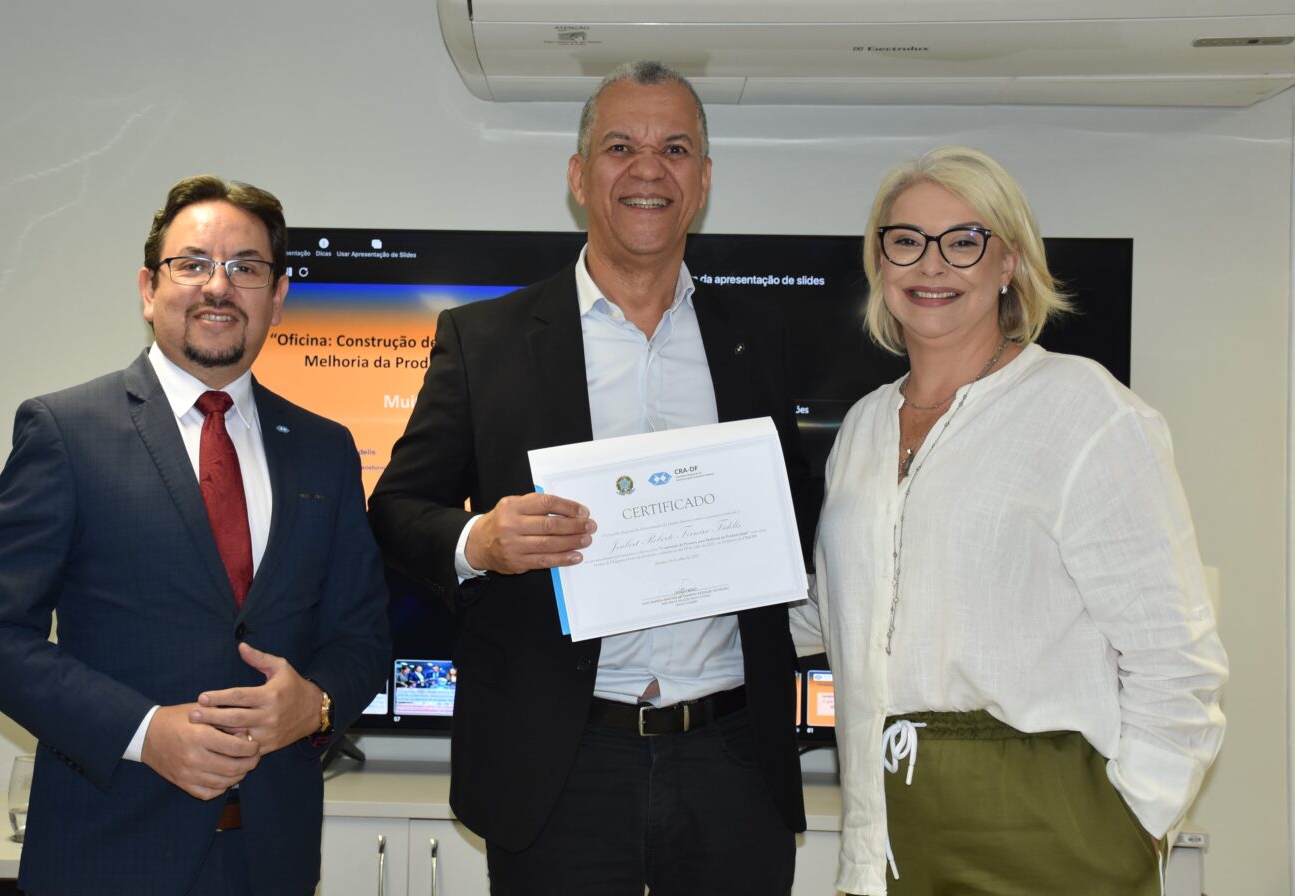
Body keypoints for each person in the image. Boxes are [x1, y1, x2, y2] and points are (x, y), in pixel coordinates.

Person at [368, 61, 818, 895]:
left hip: (732, 758)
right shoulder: (485, 340)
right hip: (559, 763)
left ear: (703, 180)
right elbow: (396, 509)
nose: (649, 169)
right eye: (621, 147)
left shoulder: (759, 338)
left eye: (674, 149)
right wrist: (479, 541)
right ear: (579, 177)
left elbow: (796, 513)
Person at [796, 145, 1228, 895]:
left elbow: (1176, 656)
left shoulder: (1083, 410)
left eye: (964, 241)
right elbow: (837, 611)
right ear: (880, 262)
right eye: (906, 240)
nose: (931, 265)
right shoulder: (864, 428)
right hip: (883, 835)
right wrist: (673, 586)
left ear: (1010, 263)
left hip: (1042, 831)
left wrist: (1129, 822)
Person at [0, 175, 390, 896]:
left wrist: (317, 705)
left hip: (271, 862)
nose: (219, 286)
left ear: (277, 298)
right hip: (108, 858)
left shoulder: (324, 449)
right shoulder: (66, 431)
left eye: (247, 267)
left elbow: (362, 636)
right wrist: (144, 732)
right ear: (149, 289)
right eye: (193, 264)